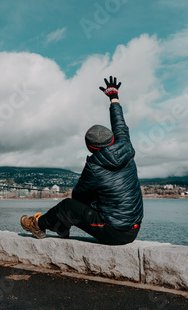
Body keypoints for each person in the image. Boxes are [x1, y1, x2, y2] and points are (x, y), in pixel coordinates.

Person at [21, 76, 143, 245]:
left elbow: (78, 197)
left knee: (68, 205)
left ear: (90, 147)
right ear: (112, 139)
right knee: (89, 201)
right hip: (134, 227)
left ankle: (37, 224)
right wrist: (114, 97)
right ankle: (60, 226)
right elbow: (120, 125)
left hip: (114, 231)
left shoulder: (94, 166)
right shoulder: (126, 146)